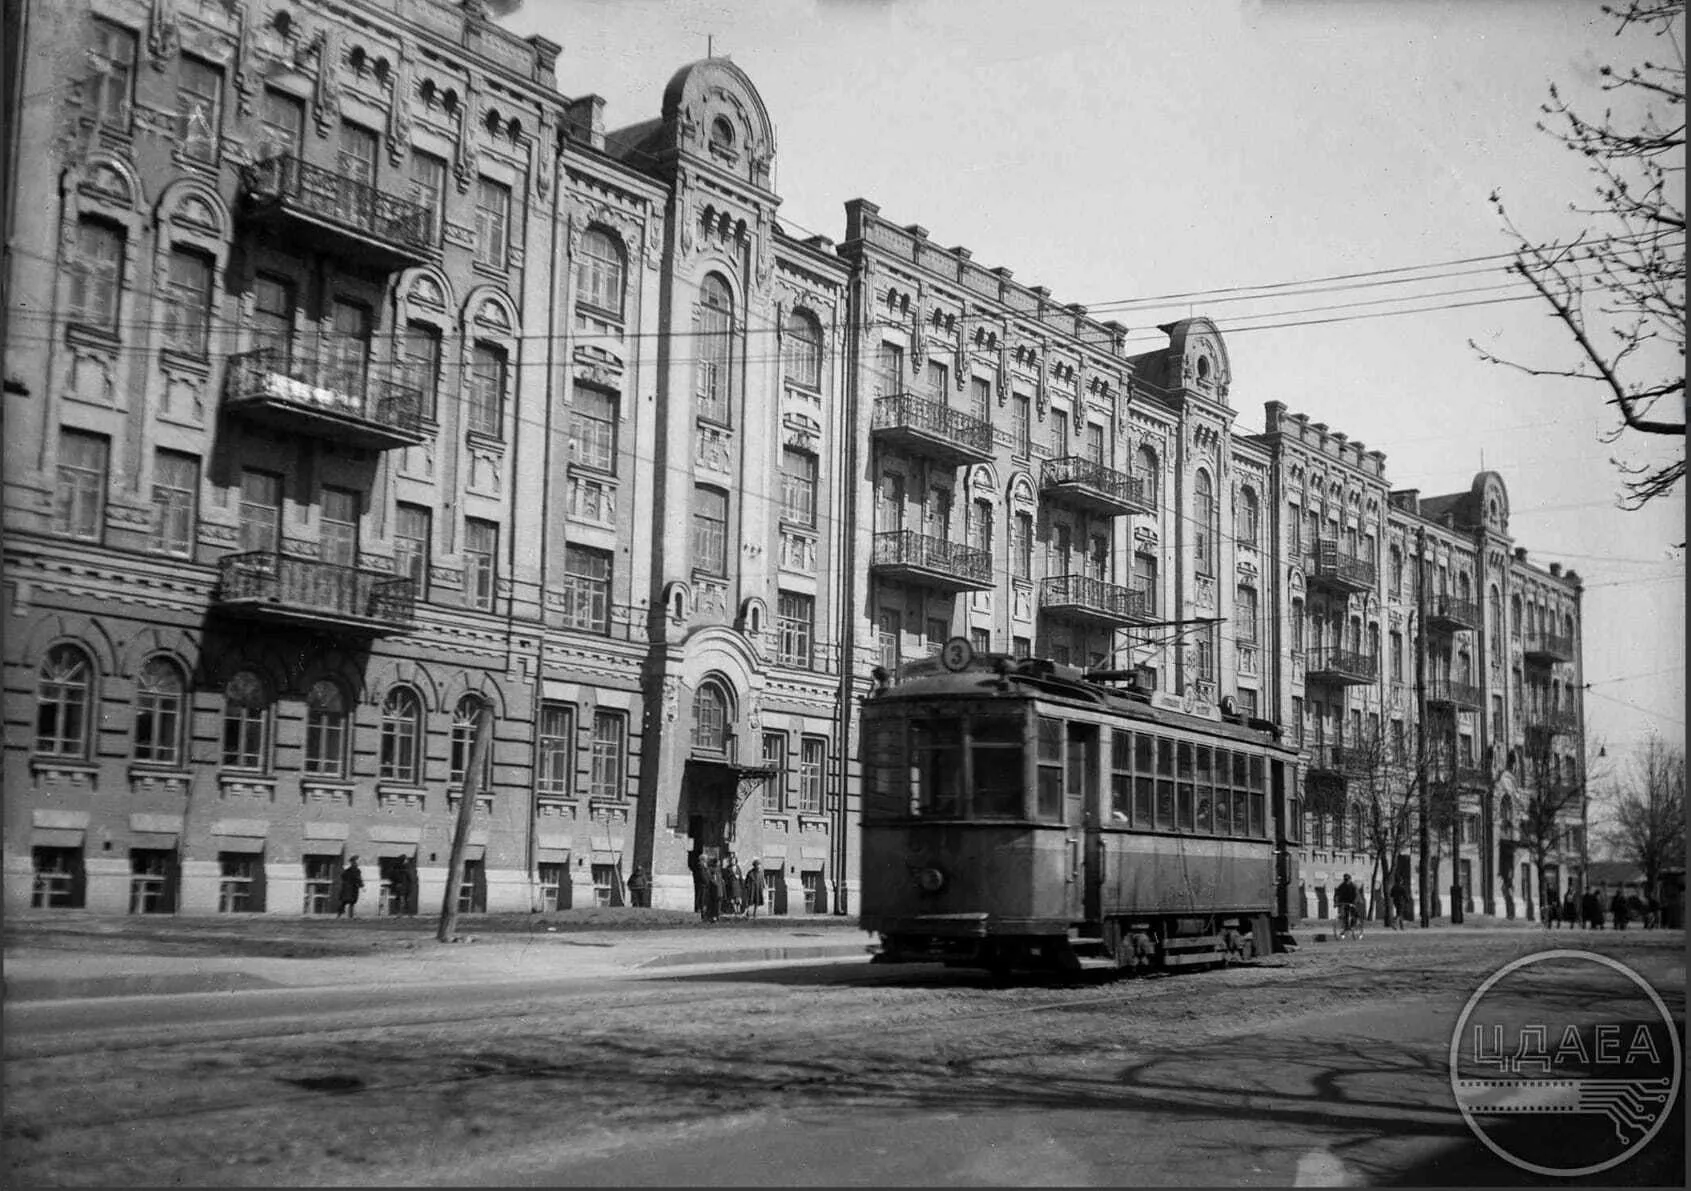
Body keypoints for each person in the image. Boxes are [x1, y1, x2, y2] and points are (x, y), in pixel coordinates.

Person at [702, 858, 724, 924]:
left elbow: (718, 880)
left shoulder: (717, 870)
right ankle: (713, 918)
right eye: (718, 862)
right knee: (713, 905)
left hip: (718, 891)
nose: (719, 864)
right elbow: (712, 880)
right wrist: (717, 885)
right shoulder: (713, 870)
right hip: (714, 891)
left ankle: (715, 917)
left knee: (716, 905)